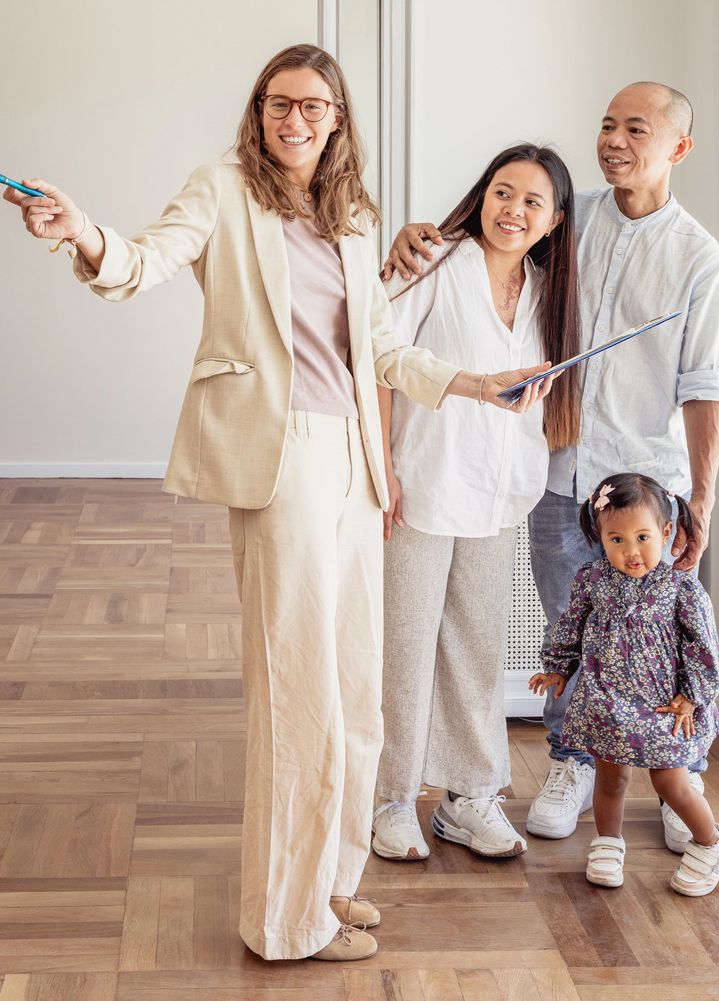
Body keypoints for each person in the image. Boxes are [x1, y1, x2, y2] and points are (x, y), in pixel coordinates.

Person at [3, 44, 555, 963]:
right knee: (298, 691)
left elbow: (382, 352)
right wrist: (80, 232)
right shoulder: (222, 187)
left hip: (356, 459)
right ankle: (284, 920)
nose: (292, 120)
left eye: (311, 106)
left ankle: (331, 885)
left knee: (357, 693)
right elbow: (141, 260)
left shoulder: (350, 213)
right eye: (276, 103)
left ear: (338, 118)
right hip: (280, 453)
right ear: (259, 112)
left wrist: (472, 382)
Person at [382, 81, 719, 850]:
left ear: (678, 147)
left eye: (635, 128)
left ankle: (681, 777)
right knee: (565, 634)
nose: (614, 139)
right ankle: (562, 761)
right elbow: (413, 312)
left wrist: (700, 498)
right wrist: (415, 237)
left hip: (638, 492)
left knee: (661, 636)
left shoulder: (696, 260)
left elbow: (707, 389)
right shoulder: (563, 235)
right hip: (551, 480)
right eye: (606, 124)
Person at [371, 144, 580, 862]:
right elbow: (377, 353)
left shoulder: (550, 290)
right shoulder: (434, 260)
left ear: (554, 221)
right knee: (404, 647)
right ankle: (391, 796)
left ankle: (469, 795)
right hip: (422, 484)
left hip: (499, 493)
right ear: (481, 195)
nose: (512, 210)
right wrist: (382, 466)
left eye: (531, 201)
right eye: (502, 192)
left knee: (477, 649)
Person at [530, 473, 719, 896]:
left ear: (664, 532)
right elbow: (571, 626)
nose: (631, 551)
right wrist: (559, 668)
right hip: (608, 701)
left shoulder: (679, 589)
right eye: (616, 540)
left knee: (670, 782)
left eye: (642, 537)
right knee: (610, 778)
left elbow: (702, 647)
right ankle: (607, 843)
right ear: (599, 537)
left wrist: (691, 697)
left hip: (662, 704)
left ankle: (712, 842)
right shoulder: (593, 579)